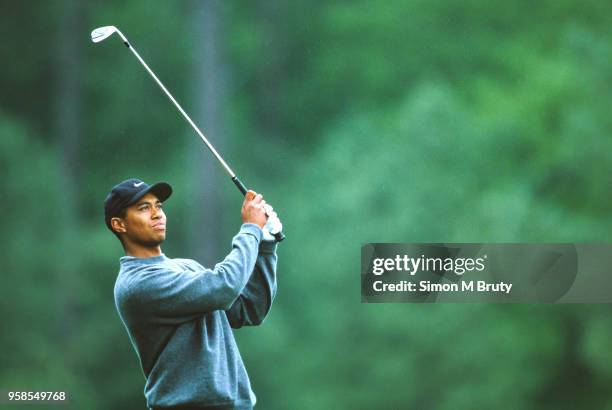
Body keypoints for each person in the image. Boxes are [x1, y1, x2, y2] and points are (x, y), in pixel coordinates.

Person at [104, 178, 281, 410]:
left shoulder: (186, 267)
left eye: (158, 205)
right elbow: (224, 286)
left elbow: (249, 309)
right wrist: (251, 230)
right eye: (144, 208)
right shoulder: (139, 283)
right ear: (119, 224)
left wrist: (266, 245)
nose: (157, 214)